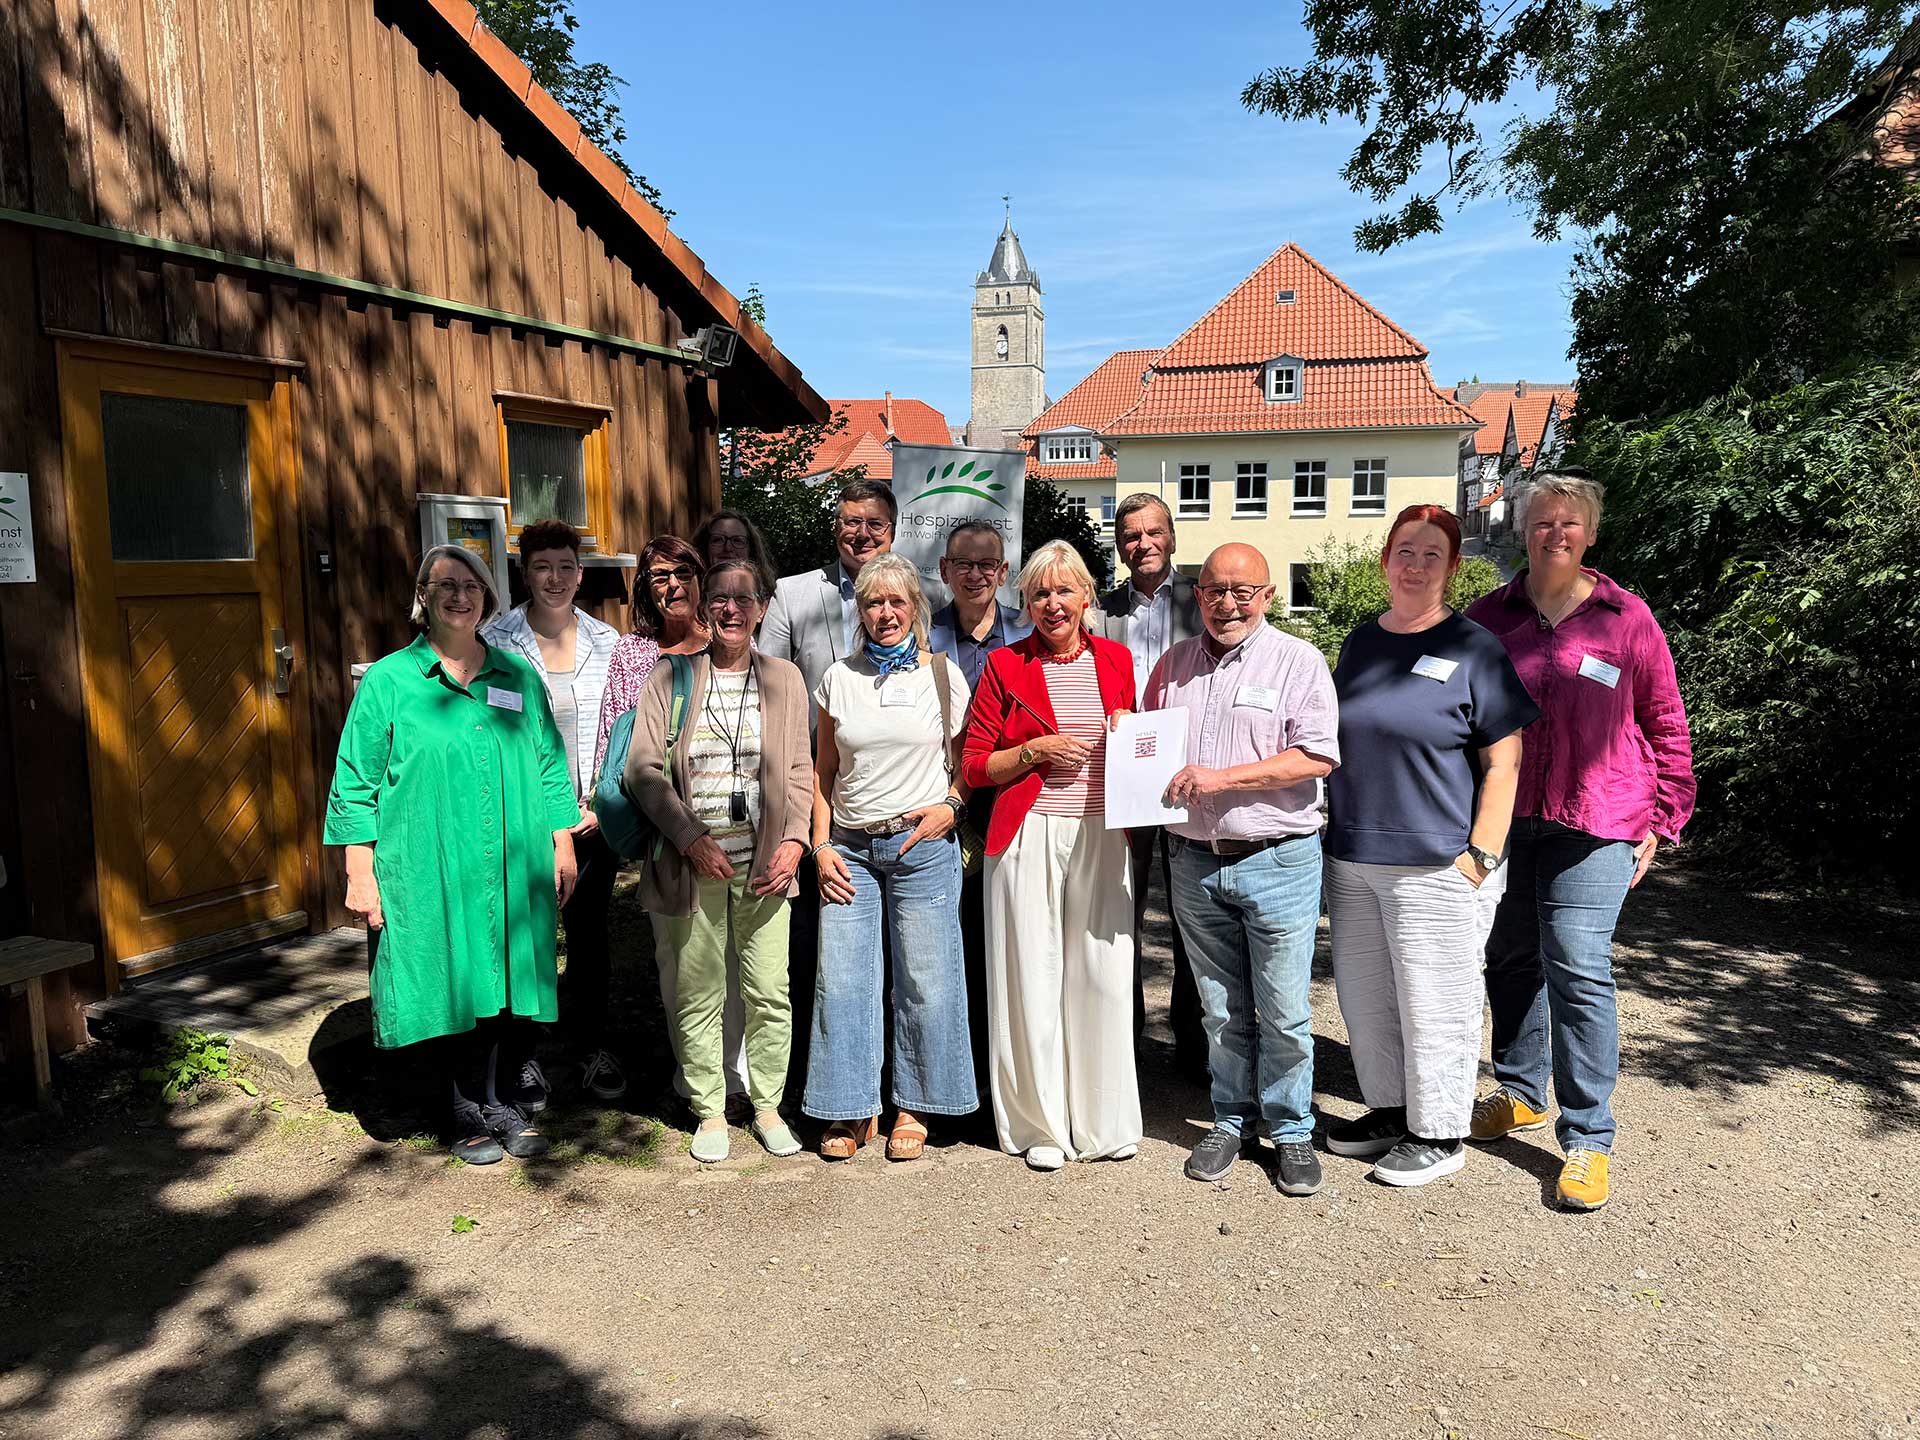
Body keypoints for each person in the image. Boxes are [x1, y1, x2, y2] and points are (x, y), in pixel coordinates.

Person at [1465, 469, 1696, 1212]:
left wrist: (1665, 816)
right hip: (1505, 816)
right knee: (1509, 957)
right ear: (1521, 530)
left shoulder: (1626, 617)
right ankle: (1522, 1093)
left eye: (1569, 523)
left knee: (1578, 965)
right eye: (1541, 522)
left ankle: (1589, 1137)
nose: (1554, 533)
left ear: (1590, 533)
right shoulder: (1487, 617)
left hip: (1600, 816)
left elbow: (1664, 720)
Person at [325, 544, 579, 1163]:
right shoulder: (390, 681)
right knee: (446, 975)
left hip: (510, 859)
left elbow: (548, 763)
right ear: (424, 598)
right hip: (428, 862)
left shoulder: (515, 676)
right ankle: (460, 1103)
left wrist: (563, 839)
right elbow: (354, 781)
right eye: (445, 585)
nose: (459, 596)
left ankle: (500, 1097)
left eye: (471, 585)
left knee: (507, 976)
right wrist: (360, 872)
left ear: (487, 598)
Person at [1323, 505, 1539, 1188]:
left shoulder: (1473, 647)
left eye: (1431, 555)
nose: (1415, 565)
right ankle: (1391, 1111)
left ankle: (1441, 1132)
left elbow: (1505, 762)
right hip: (1354, 854)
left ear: (1451, 568)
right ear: (1385, 559)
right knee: (1366, 999)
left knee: (1436, 1003)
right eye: (1405, 551)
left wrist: (1481, 856)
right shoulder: (1360, 643)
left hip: (1437, 861)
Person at [1145, 543, 1340, 1198]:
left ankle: (1290, 1129)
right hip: (1194, 860)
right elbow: (1150, 747)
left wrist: (1220, 779)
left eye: (1241, 590)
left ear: (1267, 596)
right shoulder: (1172, 666)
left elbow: (1315, 757)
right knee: (1221, 1010)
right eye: (1213, 589)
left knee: (1283, 1009)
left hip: (1277, 859)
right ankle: (1231, 1118)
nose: (1226, 602)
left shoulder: (1298, 662)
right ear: (1197, 595)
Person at [623, 560, 812, 1162]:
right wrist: (689, 838)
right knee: (698, 992)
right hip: (693, 864)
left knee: (768, 992)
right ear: (706, 608)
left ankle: (767, 1106)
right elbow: (642, 770)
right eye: (721, 599)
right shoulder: (669, 678)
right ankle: (709, 1110)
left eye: (744, 598)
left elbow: (803, 771)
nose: (731, 609)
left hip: (766, 866)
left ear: (760, 608)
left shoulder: (785, 678)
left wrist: (796, 840)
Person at [962, 540, 1140, 1170]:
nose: (1053, 603)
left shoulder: (1117, 660)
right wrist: (1035, 752)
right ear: (1025, 600)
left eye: (1065, 590)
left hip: (1100, 831)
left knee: (1104, 977)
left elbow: (1138, 744)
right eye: (1040, 592)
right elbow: (976, 764)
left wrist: (1128, 733)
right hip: (1027, 833)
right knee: (1029, 976)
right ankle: (1040, 1127)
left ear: (1087, 596)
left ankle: (1102, 1121)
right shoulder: (1004, 666)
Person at [804, 553, 976, 1160]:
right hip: (849, 847)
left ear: (916, 609)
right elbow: (823, 773)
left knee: (926, 979)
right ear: (860, 611)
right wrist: (820, 846)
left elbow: (968, 763)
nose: (885, 613)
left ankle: (915, 1104)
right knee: (844, 980)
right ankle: (851, 1111)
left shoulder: (941, 674)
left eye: (897, 602)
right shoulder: (837, 678)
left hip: (922, 847)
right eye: (874, 603)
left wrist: (950, 808)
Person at [596, 537, 747, 1106]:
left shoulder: (728, 640)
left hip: (737, 822)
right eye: (660, 577)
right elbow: (616, 748)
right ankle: (697, 1080)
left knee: (741, 961)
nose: (674, 585)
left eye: (684, 572)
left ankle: (740, 1079)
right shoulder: (634, 654)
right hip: (667, 830)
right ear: (646, 590)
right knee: (683, 962)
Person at [760, 478, 900, 1072]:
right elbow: (765, 687)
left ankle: (892, 1064)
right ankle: (817, 1067)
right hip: (813, 787)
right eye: (849, 521)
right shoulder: (794, 594)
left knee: (900, 949)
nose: (860, 533)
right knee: (821, 939)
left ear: (892, 531)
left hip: (893, 790)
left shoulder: (918, 593)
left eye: (873, 523)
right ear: (834, 526)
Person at [482, 520, 623, 1105]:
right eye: (543, 567)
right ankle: (525, 1057)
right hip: (525, 825)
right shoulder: (493, 642)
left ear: (581, 573)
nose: (555, 578)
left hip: (593, 821)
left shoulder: (608, 644)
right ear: (525, 572)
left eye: (566, 566)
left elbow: (622, 732)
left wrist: (598, 807)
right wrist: (546, 818)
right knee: (527, 941)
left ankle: (592, 1049)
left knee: (589, 937)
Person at [1097, 494, 1205, 1075]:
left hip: (1191, 772)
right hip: (1121, 776)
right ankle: (1124, 1036)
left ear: (1172, 537)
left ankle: (1197, 1040)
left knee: (1195, 910)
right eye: (1131, 535)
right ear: (1119, 543)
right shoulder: (1100, 609)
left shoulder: (1205, 601)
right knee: (1122, 907)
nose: (1143, 544)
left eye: (1154, 532)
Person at [926, 521, 1031, 1113]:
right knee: (952, 947)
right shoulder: (921, 633)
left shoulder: (1030, 630)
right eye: (963, 564)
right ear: (944, 570)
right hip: (943, 807)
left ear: (1003, 571)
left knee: (1008, 946)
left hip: (1014, 808)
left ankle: (1006, 1086)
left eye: (986, 564)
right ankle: (958, 1084)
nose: (974, 574)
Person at [692, 507, 777, 601]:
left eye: (737, 540)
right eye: (718, 540)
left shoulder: (772, 601)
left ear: (751, 549)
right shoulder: (691, 599)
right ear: (704, 547)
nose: (728, 548)